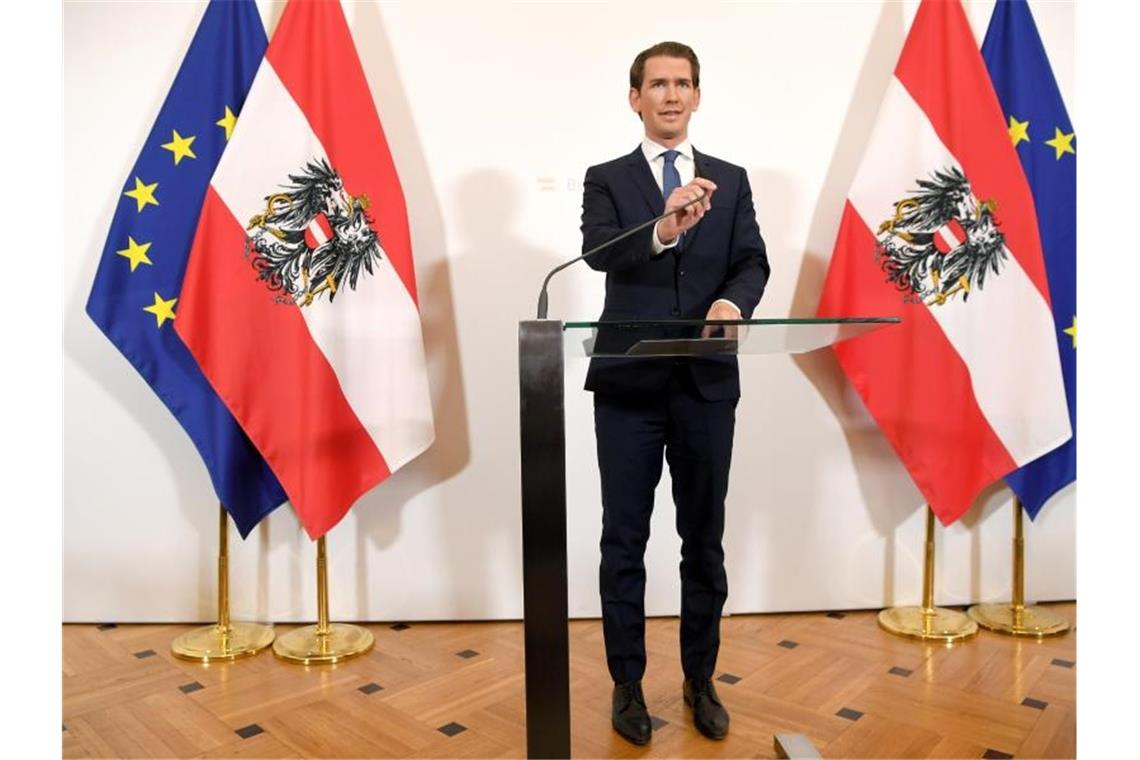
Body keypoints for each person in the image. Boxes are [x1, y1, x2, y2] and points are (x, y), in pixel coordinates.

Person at [580, 41, 770, 745]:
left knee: (704, 540)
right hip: (628, 383)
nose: (669, 95)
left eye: (681, 83)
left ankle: (699, 679)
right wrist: (663, 226)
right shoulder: (607, 179)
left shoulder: (732, 178)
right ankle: (627, 686)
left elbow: (752, 260)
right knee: (624, 537)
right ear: (635, 97)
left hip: (705, 383)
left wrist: (733, 305)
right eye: (656, 84)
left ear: (696, 95)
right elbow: (600, 251)